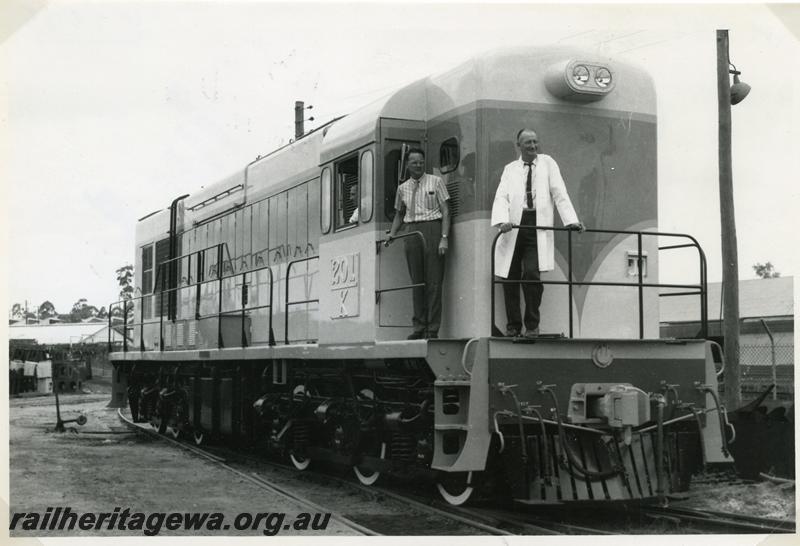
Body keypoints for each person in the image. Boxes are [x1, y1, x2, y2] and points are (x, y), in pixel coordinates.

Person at [491, 129, 584, 338]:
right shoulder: (510, 169)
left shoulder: (547, 163)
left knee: (532, 274)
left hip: (537, 225)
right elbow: (502, 196)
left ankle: (532, 325)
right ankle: (513, 325)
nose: (533, 146)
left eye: (535, 142)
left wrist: (571, 221)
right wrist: (501, 221)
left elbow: (559, 192)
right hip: (514, 225)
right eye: (527, 143)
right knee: (509, 277)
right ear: (519, 146)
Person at [385, 148, 450, 339]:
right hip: (411, 232)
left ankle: (432, 329)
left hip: (432, 229)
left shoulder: (436, 181)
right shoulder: (402, 188)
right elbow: (399, 214)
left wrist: (444, 237)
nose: (418, 165)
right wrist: (393, 233)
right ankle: (419, 327)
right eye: (414, 162)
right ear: (407, 165)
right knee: (417, 282)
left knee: (434, 282)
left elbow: (446, 210)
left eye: (421, 161)